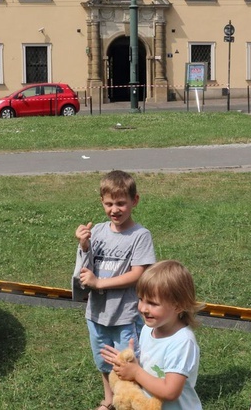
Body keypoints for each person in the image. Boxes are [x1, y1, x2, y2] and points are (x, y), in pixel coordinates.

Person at [75, 170, 157, 410]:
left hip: (125, 314)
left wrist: (99, 283)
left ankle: (133, 403)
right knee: (104, 362)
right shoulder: (98, 232)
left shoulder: (140, 236)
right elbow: (84, 266)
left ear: (135, 201)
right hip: (97, 314)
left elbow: (139, 273)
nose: (115, 209)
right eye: (109, 204)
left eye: (121, 203)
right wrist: (84, 245)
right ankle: (110, 400)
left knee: (129, 362)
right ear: (102, 202)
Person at [100, 260, 202, 410]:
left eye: (153, 303)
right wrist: (131, 363)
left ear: (178, 306)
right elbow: (150, 364)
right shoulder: (149, 329)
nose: (143, 308)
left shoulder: (182, 342)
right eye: (141, 299)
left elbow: (170, 391)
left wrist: (135, 372)